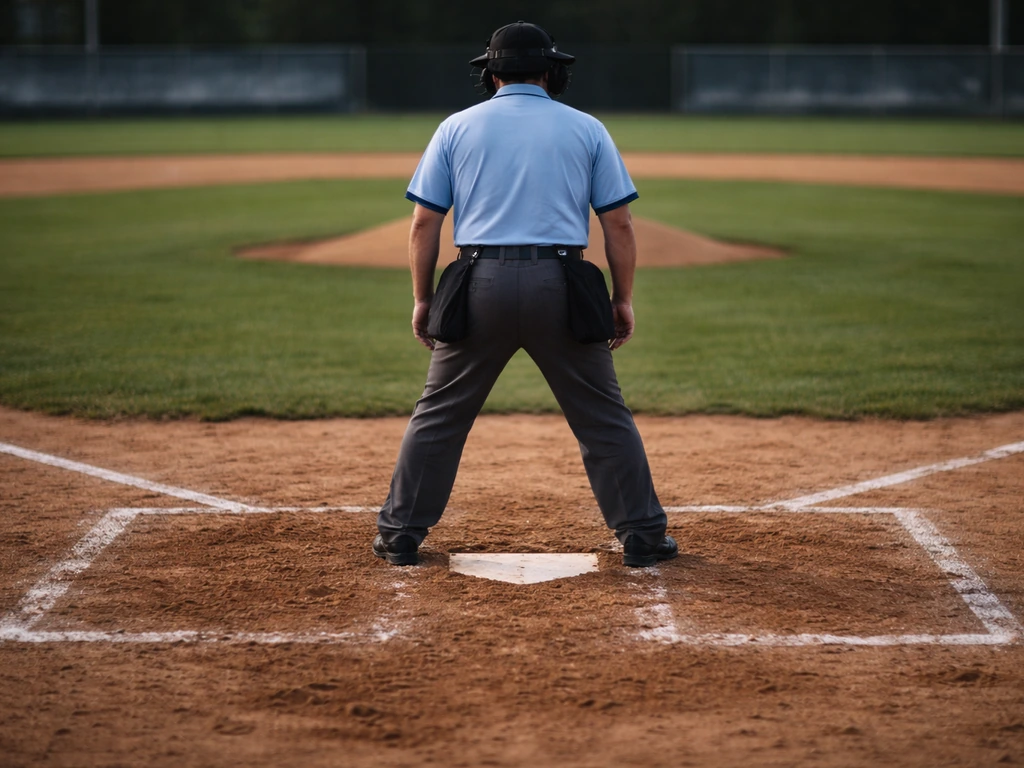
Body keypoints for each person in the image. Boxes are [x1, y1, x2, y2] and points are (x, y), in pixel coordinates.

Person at [373, 21, 676, 568]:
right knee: (603, 418)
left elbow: (424, 224)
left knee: (438, 416)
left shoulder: (455, 128)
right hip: (562, 284)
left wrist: (423, 299)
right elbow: (619, 226)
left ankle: (400, 533)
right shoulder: (586, 128)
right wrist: (622, 299)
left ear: (489, 74)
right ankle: (642, 537)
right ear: (551, 72)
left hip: (477, 282)